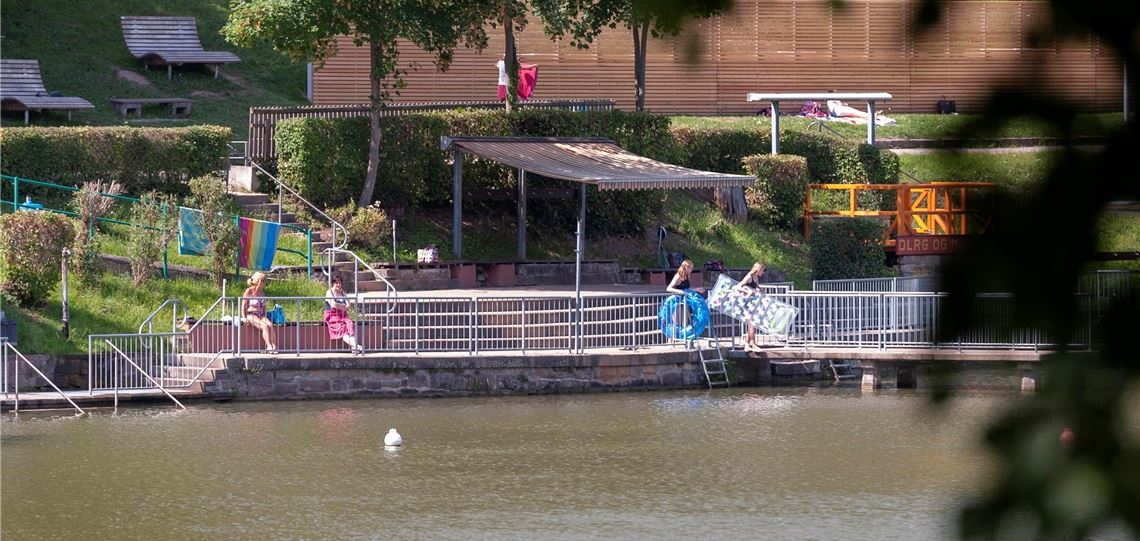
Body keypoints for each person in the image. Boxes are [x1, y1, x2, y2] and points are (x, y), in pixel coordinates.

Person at [324, 274, 363, 355]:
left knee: (350, 324)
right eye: (336, 283)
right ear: (333, 283)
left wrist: (342, 307)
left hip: (343, 316)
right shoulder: (329, 292)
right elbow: (333, 305)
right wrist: (343, 307)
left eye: (340, 283)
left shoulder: (343, 293)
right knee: (342, 329)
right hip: (332, 317)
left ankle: (354, 347)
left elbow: (348, 306)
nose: (338, 285)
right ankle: (357, 346)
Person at [241, 271, 278, 354]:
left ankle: (274, 346)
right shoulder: (249, 291)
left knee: (270, 325)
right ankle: (269, 346)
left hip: (260, 314)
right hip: (251, 314)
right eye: (264, 281)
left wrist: (264, 316)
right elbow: (243, 305)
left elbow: (264, 305)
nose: (265, 283)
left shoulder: (261, 292)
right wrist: (244, 317)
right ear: (259, 281)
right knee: (264, 326)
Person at [735, 262, 766, 350]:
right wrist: (748, 292)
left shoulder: (755, 277)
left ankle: (747, 345)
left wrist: (761, 290)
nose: (762, 272)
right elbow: (738, 286)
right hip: (746, 301)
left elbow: (756, 286)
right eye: (762, 270)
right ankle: (753, 343)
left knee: (751, 323)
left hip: (752, 302)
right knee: (752, 323)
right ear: (758, 269)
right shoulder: (749, 276)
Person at [666, 259, 706, 326]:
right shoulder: (678, 276)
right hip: (678, 300)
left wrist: (697, 289)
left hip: (685, 299)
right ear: (686, 268)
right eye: (690, 268)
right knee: (678, 320)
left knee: (685, 319)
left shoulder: (687, 276)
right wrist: (680, 291)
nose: (691, 270)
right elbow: (668, 288)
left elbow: (687, 288)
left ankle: (685, 332)